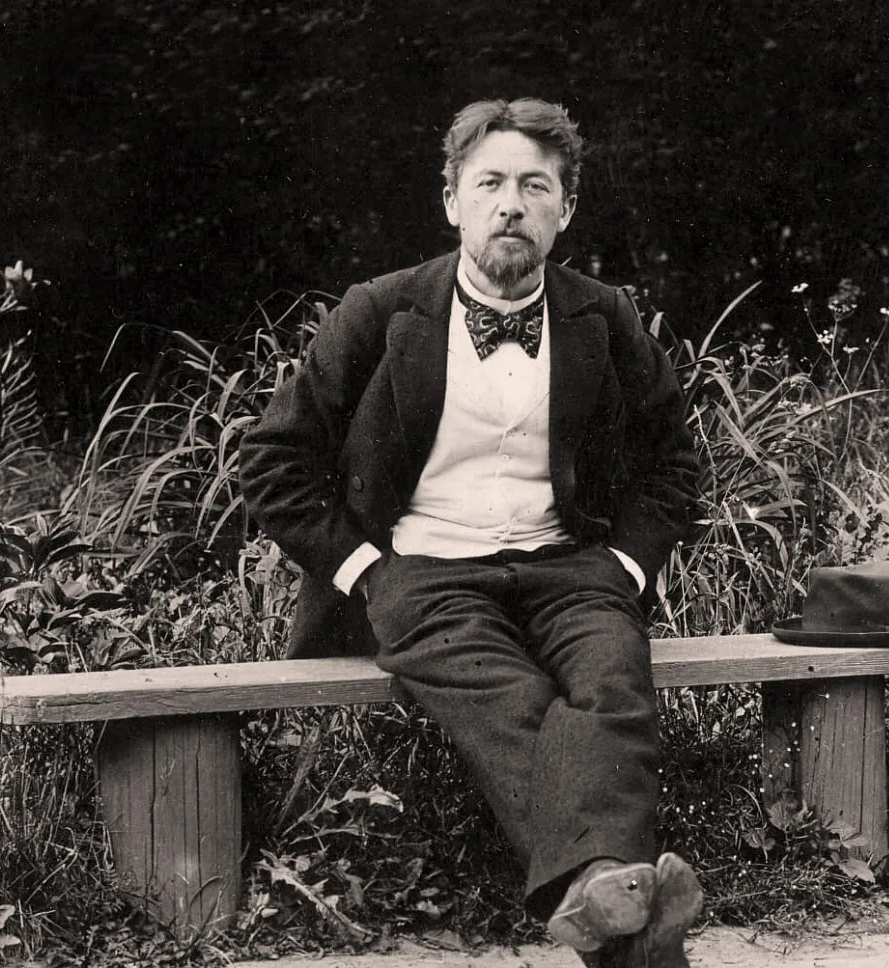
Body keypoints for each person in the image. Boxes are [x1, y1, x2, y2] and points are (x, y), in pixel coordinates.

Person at [240, 97, 704, 967]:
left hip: (571, 567)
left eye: (535, 187)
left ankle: (603, 905)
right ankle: (622, 910)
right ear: (452, 200)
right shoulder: (380, 312)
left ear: (566, 210)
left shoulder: (603, 317)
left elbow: (675, 462)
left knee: (611, 683)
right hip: (423, 574)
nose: (511, 206)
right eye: (489, 184)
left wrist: (627, 565)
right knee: (513, 703)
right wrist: (365, 570)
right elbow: (271, 460)